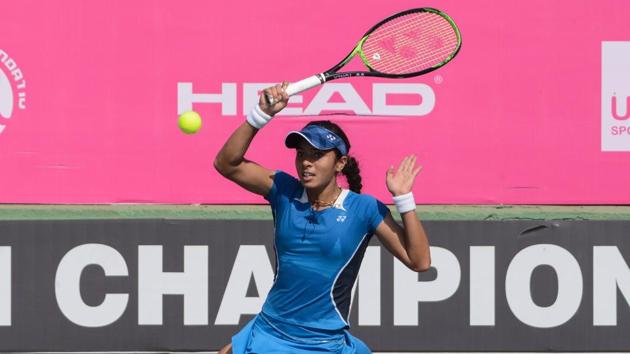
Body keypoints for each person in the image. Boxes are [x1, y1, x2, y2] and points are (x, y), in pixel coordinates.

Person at [213, 82, 431, 354]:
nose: (306, 162)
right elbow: (227, 164)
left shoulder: (364, 209)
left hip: (323, 344)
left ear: (340, 163)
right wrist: (261, 114)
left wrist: (403, 200)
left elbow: (419, 261)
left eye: (317, 155)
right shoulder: (284, 190)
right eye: (302, 154)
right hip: (270, 330)